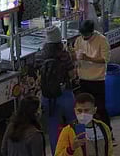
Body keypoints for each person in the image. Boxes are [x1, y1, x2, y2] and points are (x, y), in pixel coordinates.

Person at [37, 26, 75, 154]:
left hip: (48, 96)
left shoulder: (40, 55)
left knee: (53, 127)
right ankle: (75, 151)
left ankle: (57, 153)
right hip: (65, 94)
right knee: (73, 123)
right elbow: (72, 74)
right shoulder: (64, 55)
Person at [73, 20, 112, 132]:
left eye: (86, 35)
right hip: (83, 79)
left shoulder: (102, 40)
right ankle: (88, 132)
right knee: (84, 110)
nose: (84, 37)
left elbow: (105, 59)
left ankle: (108, 133)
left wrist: (88, 58)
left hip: (97, 79)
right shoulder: (79, 40)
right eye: (82, 35)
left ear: (92, 32)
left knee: (100, 108)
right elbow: (76, 56)